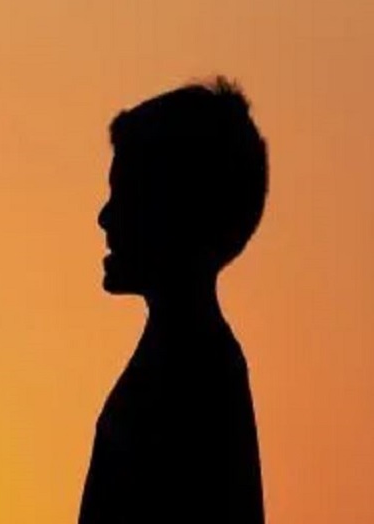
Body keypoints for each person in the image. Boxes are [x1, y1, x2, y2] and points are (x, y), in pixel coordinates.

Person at [79, 78, 267, 523]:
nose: (105, 217)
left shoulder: (190, 372)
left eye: (126, 196)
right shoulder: (189, 359)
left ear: (172, 211)